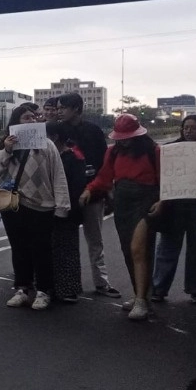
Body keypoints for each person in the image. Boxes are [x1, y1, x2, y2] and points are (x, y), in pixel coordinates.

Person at [0, 105, 71, 310]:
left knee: (41, 248)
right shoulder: (1, 143)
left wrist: (62, 205)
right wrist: (7, 150)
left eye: (34, 118)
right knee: (19, 247)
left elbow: (58, 175)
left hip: (41, 204)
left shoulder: (46, 144)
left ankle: (43, 290)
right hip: (12, 204)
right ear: (16, 121)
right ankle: (22, 288)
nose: (31, 121)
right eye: (25, 118)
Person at [80, 114, 160, 312]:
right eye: (120, 139)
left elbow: (166, 179)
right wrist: (90, 189)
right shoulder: (113, 152)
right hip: (122, 203)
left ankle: (141, 300)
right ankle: (140, 294)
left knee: (138, 249)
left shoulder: (154, 150)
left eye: (126, 138)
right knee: (127, 250)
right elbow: (105, 177)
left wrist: (163, 202)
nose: (123, 142)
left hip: (147, 201)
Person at [58, 93, 121, 298]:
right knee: (67, 242)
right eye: (58, 108)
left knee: (95, 240)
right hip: (64, 195)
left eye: (63, 107)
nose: (59, 111)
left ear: (76, 108)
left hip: (92, 193)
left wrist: (103, 190)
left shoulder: (93, 131)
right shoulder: (57, 130)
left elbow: (105, 164)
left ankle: (102, 283)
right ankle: (69, 285)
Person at [150, 115, 196, 305]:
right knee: (167, 247)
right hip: (174, 206)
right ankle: (158, 288)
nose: (188, 131)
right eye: (185, 128)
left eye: (193, 128)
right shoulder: (172, 150)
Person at [47, 121, 87, 303]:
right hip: (47, 209)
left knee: (67, 250)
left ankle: (68, 289)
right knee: (49, 249)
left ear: (54, 137)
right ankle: (50, 286)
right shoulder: (48, 155)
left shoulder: (73, 158)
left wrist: (63, 206)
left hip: (66, 211)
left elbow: (76, 188)